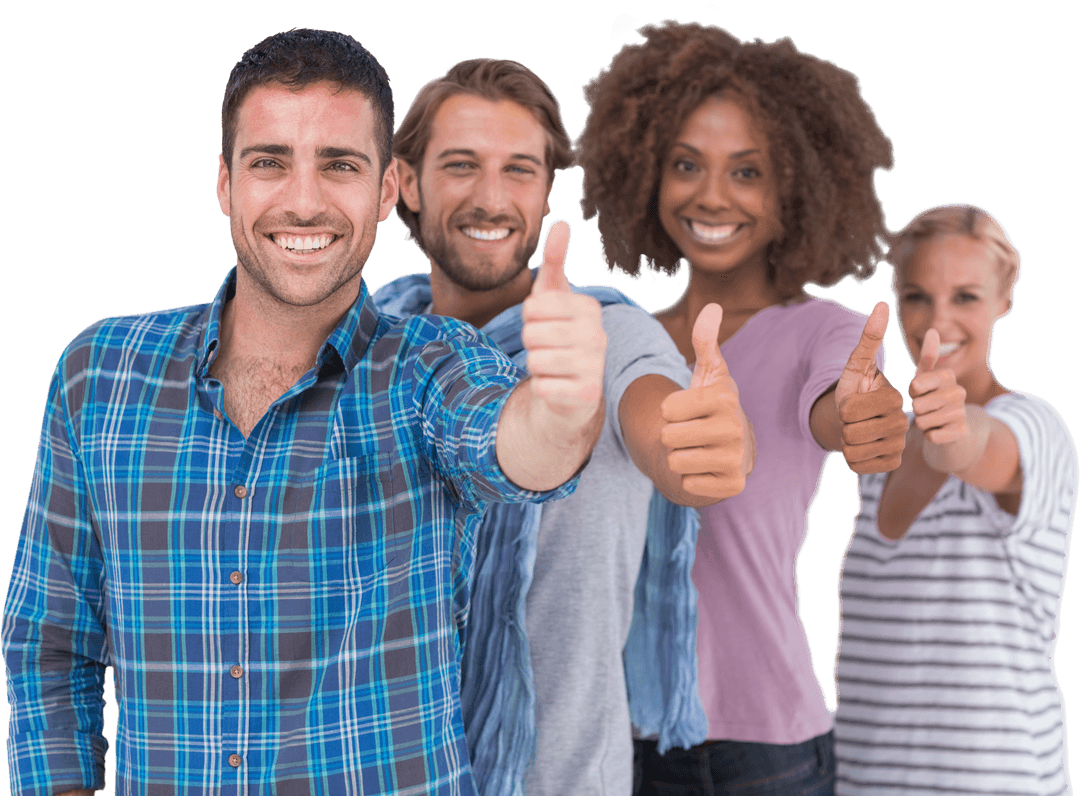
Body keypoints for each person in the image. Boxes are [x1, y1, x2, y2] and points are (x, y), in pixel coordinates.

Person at [1, 29, 611, 796]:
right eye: (269, 162)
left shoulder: (431, 366)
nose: (303, 201)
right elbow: (50, 652)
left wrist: (561, 406)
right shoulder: (99, 375)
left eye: (339, 165)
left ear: (387, 190)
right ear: (225, 183)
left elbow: (509, 444)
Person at [372, 58, 753, 796]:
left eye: (519, 170)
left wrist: (702, 441)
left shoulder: (607, 337)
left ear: (547, 192)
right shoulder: (366, 347)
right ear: (407, 183)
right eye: (460, 165)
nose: (491, 197)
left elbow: (662, 419)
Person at [576, 19, 909, 794]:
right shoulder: (619, 338)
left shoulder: (823, 332)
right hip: (619, 734)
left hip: (765, 747)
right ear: (646, 174)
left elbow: (840, 404)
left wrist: (862, 415)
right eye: (687, 163)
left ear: (794, 186)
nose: (712, 195)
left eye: (748, 172)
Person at [833, 203, 1077, 794]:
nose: (937, 322)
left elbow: (977, 449)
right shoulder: (882, 450)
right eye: (917, 296)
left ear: (1005, 301)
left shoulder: (1034, 426)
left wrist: (954, 432)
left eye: (966, 297)